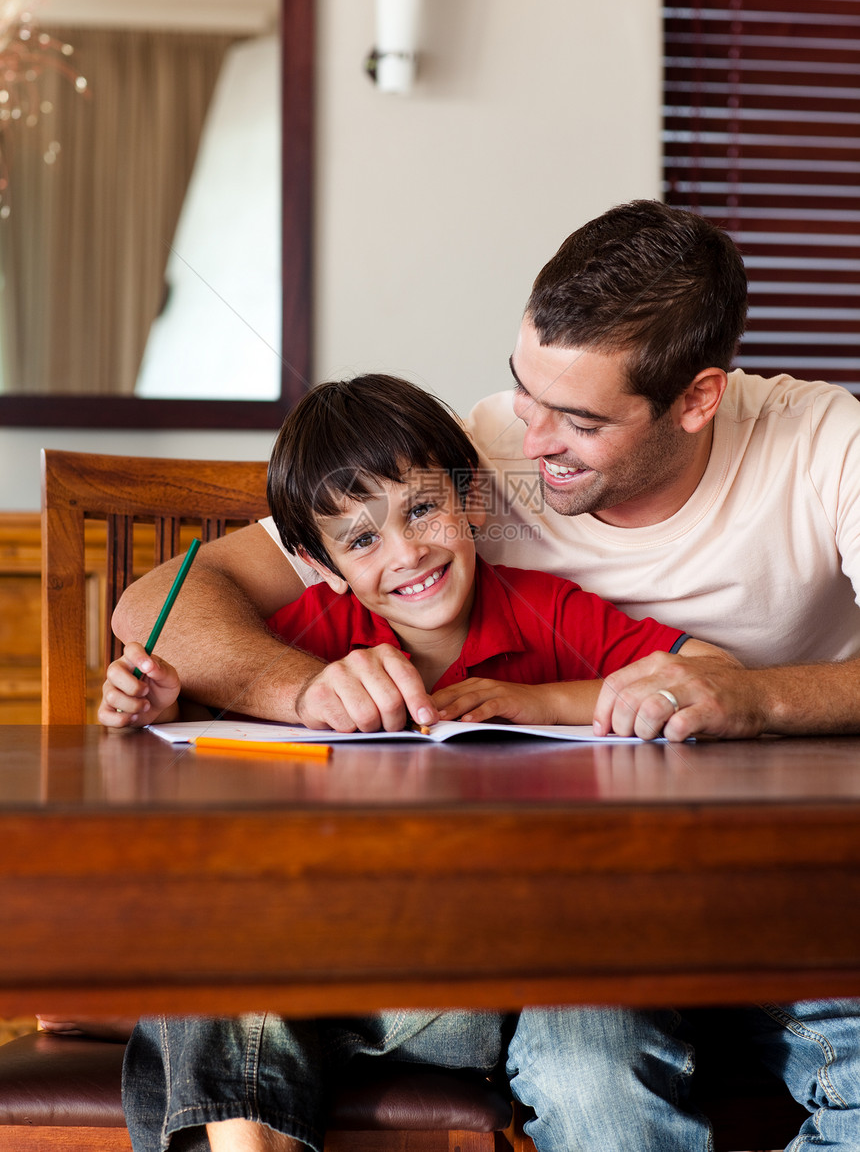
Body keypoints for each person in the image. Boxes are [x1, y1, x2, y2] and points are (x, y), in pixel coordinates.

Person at [103, 199, 860, 1150]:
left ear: (698, 399)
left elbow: (683, 673)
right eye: (523, 388)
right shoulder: (467, 463)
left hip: (774, 877)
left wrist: (750, 694)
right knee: (230, 936)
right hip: (550, 916)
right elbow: (161, 607)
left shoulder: (824, 442)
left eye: (577, 419)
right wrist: (294, 691)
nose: (530, 436)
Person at [113, 372, 730, 1152]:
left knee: (214, 993)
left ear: (471, 498)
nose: (407, 553)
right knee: (217, 959)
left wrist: (548, 701)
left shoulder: (550, 613)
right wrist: (151, 706)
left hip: (490, 985)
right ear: (320, 560)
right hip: (351, 986)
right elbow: (194, 745)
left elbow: (713, 674)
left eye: (424, 509)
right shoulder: (307, 638)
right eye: (363, 538)